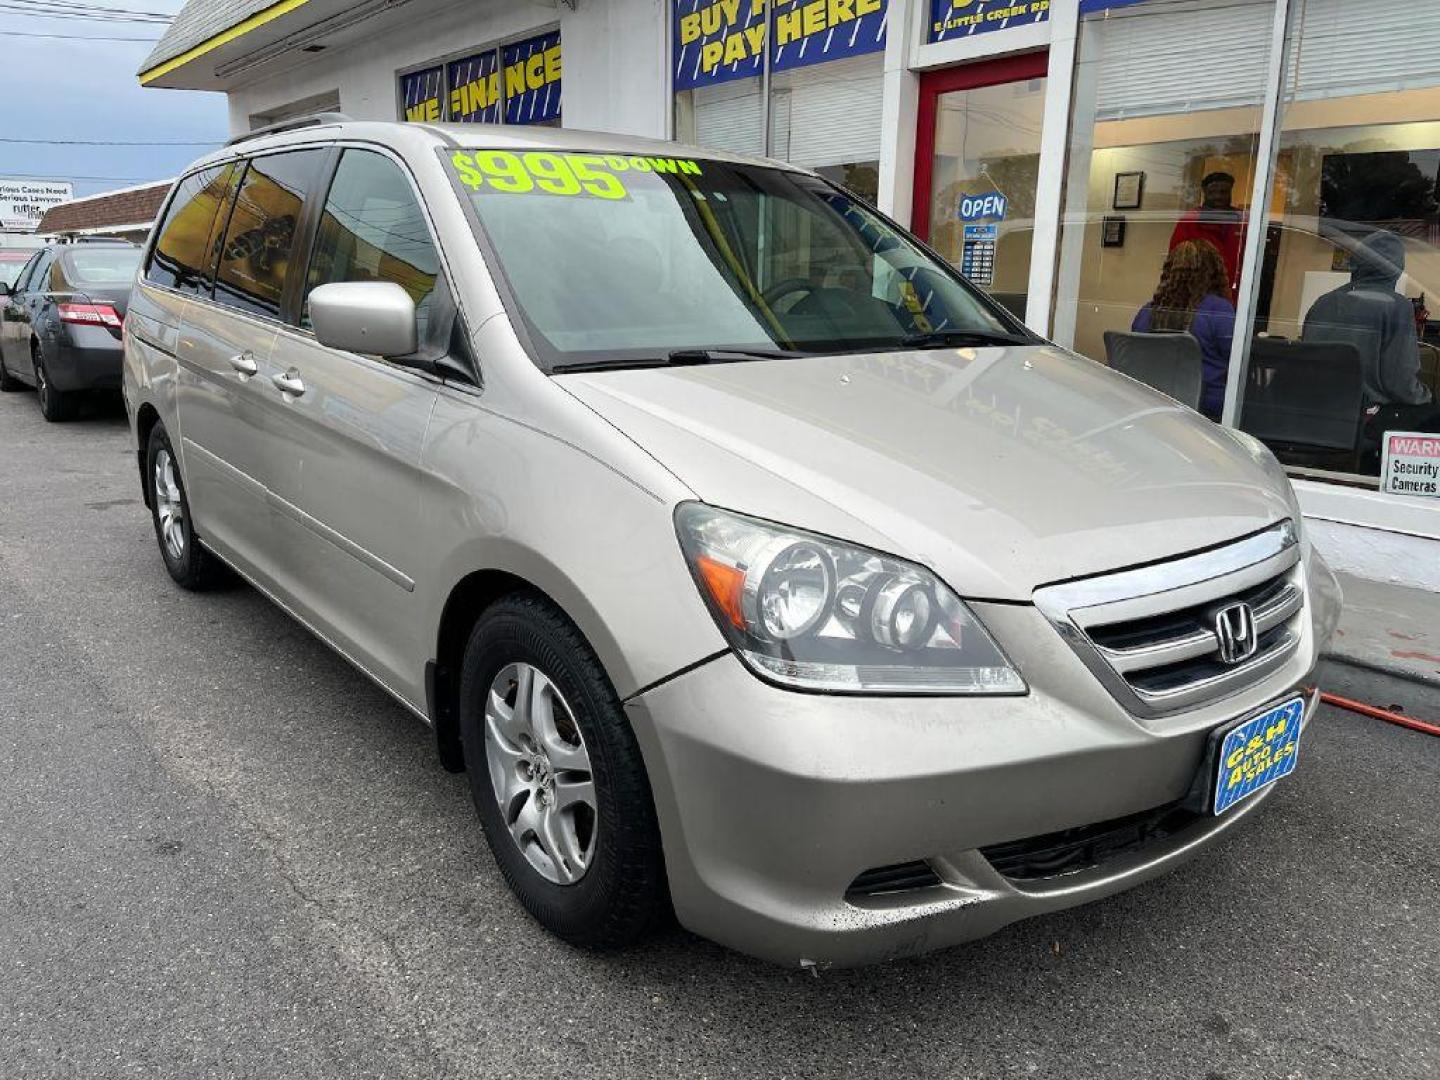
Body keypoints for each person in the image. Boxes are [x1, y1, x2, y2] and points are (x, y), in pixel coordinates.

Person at [1302, 230, 1439, 467]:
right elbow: (1401, 382)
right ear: (1395, 268)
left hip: (1316, 419)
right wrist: (1427, 397)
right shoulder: (1396, 307)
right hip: (1366, 429)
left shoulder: (1322, 303)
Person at [1132, 239, 1235, 420]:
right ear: (1214, 272)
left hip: (1151, 405)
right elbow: (1238, 361)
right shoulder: (1218, 311)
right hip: (1207, 413)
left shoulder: (1147, 312)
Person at [1169, 171, 1246, 299]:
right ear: (1205, 193)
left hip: (1236, 291)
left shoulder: (1242, 220)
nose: (1218, 197)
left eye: (1223, 192)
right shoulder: (1191, 220)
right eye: (1212, 192)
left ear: (1230, 192)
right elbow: (1176, 259)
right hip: (1198, 292)